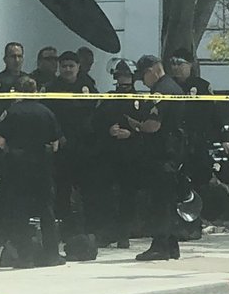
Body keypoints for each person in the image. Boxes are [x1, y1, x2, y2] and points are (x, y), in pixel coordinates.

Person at [0, 76, 65, 269]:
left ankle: (25, 257)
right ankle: (51, 255)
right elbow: (56, 144)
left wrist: (12, 151)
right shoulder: (47, 112)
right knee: (46, 211)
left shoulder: (11, 112)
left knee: (20, 212)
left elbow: (0, 141)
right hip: (42, 168)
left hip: (18, 168)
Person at [43, 50, 98, 259]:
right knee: (61, 194)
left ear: (78, 67)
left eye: (71, 66)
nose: (67, 70)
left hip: (83, 149)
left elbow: (92, 116)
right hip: (61, 151)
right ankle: (64, 232)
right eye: (64, 66)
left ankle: (88, 232)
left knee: (87, 193)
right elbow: (48, 117)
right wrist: (59, 136)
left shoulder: (88, 86)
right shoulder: (51, 88)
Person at [133, 55, 188, 261]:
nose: (143, 81)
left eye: (143, 75)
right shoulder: (174, 87)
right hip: (174, 152)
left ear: (153, 70)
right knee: (168, 201)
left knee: (159, 202)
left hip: (162, 154)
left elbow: (153, 125)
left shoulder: (161, 91)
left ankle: (160, 246)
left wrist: (136, 125)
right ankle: (171, 245)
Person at [167, 51, 227, 238]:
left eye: (181, 63)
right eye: (173, 63)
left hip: (196, 143)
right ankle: (177, 224)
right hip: (174, 143)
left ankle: (195, 224)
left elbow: (214, 114)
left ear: (191, 65)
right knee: (175, 184)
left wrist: (224, 138)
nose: (177, 67)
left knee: (198, 184)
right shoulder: (168, 86)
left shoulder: (201, 86)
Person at [87, 60, 145, 248]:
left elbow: (148, 127)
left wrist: (132, 133)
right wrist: (108, 130)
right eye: (120, 75)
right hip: (109, 154)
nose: (123, 79)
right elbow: (94, 123)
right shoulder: (109, 98)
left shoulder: (141, 100)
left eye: (127, 76)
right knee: (106, 195)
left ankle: (124, 233)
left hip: (131, 154)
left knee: (128, 195)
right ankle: (107, 231)